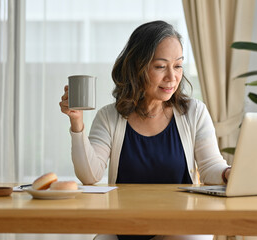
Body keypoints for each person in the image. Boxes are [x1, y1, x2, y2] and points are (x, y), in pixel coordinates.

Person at [60, 20, 231, 240]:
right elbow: (90, 176)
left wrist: (227, 173)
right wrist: (76, 122)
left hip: (179, 226)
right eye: (160, 66)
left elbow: (210, 167)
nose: (172, 77)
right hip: (125, 226)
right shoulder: (109, 116)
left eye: (178, 65)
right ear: (137, 67)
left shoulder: (194, 112)